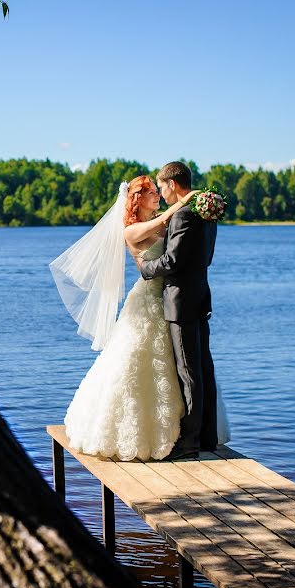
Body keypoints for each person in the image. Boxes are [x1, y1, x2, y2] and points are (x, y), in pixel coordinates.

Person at [51, 175, 213, 461]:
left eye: (157, 190)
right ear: (136, 199)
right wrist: (186, 201)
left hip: (172, 300)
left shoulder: (166, 216)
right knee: (138, 359)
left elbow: (175, 231)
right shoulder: (131, 230)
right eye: (151, 192)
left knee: (178, 365)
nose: (158, 196)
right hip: (149, 298)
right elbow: (162, 225)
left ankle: (188, 431)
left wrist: (198, 209)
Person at [136, 162, 220, 460]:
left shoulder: (185, 214)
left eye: (161, 186)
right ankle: (208, 436)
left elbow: (171, 262)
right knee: (204, 369)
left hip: (181, 301)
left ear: (172, 184)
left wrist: (146, 269)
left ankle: (189, 444)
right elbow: (205, 258)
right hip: (199, 297)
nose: (160, 192)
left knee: (189, 372)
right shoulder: (206, 213)